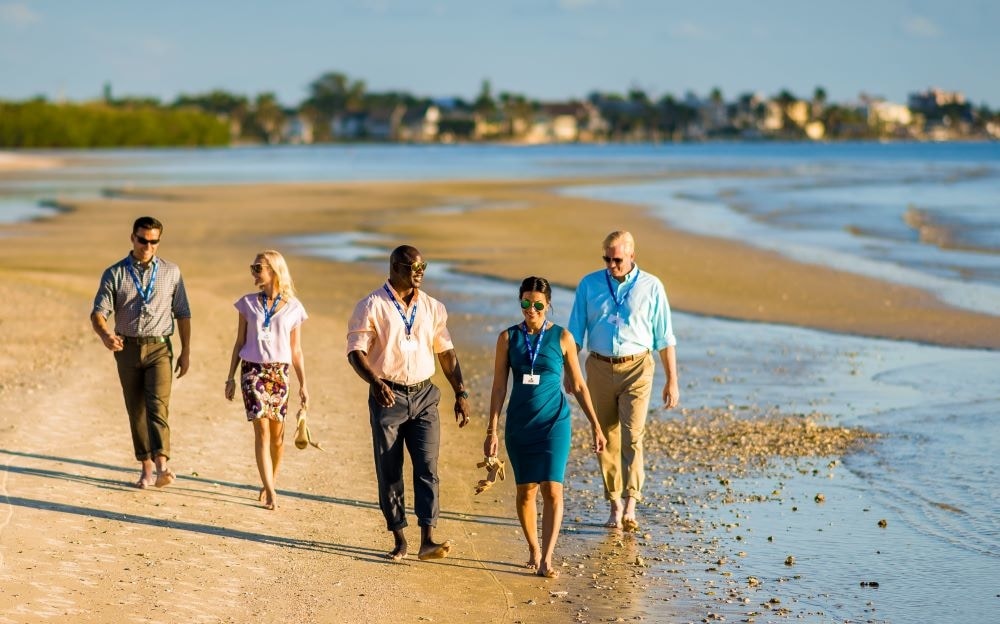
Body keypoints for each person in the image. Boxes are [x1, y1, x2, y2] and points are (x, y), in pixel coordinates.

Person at [346, 245, 471, 561]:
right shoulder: (371, 306)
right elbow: (356, 352)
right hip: (387, 395)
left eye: (423, 266)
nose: (420, 272)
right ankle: (400, 539)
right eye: (414, 266)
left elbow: (445, 352)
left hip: (425, 395)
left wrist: (461, 392)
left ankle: (427, 539)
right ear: (394, 267)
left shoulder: (432, 307)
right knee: (390, 470)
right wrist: (375, 382)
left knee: (428, 468)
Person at [484, 277, 606, 578]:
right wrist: (492, 430)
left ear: (547, 304)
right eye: (526, 302)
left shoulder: (562, 337)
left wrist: (596, 425)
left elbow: (577, 384)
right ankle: (533, 548)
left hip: (555, 423)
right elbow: (499, 388)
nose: (531, 309)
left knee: (553, 489)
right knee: (526, 491)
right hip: (520, 425)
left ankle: (547, 558)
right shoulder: (508, 338)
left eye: (538, 304)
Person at [568, 231, 679, 531]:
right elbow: (574, 333)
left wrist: (672, 380)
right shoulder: (590, 284)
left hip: (638, 367)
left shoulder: (652, 286)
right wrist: (570, 371)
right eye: (607, 258)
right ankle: (614, 504)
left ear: (632, 256)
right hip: (600, 367)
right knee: (604, 438)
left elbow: (665, 338)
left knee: (633, 435)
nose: (611, 264)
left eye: (617, 259)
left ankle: (631, 503)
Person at [91, 216, 191, 489]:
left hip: (160, 347)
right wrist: (105, 335)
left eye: (153, 241)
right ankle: (146, 468)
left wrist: (186, 352)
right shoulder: (115, 273)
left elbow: (182, 313)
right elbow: (98, 313)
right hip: (127, 348)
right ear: (132, 238)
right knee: (136, 410)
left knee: (157, 406)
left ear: (159, 241)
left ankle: (162, 466)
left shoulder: (172, 272)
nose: (148, 246)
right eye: (142, 240)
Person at [224, 250, 309, 510]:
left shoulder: (294, 307)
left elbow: (296, 349)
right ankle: (271, 491)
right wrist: (230, 377)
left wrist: (304, 384)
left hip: (280, 373)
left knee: (278, 437)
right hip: (252, 371)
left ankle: (270, 479)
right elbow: (239, 341)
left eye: (257, 267)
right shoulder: (247, 304)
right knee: (260, 430)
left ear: (273, 270)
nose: (253, 272)